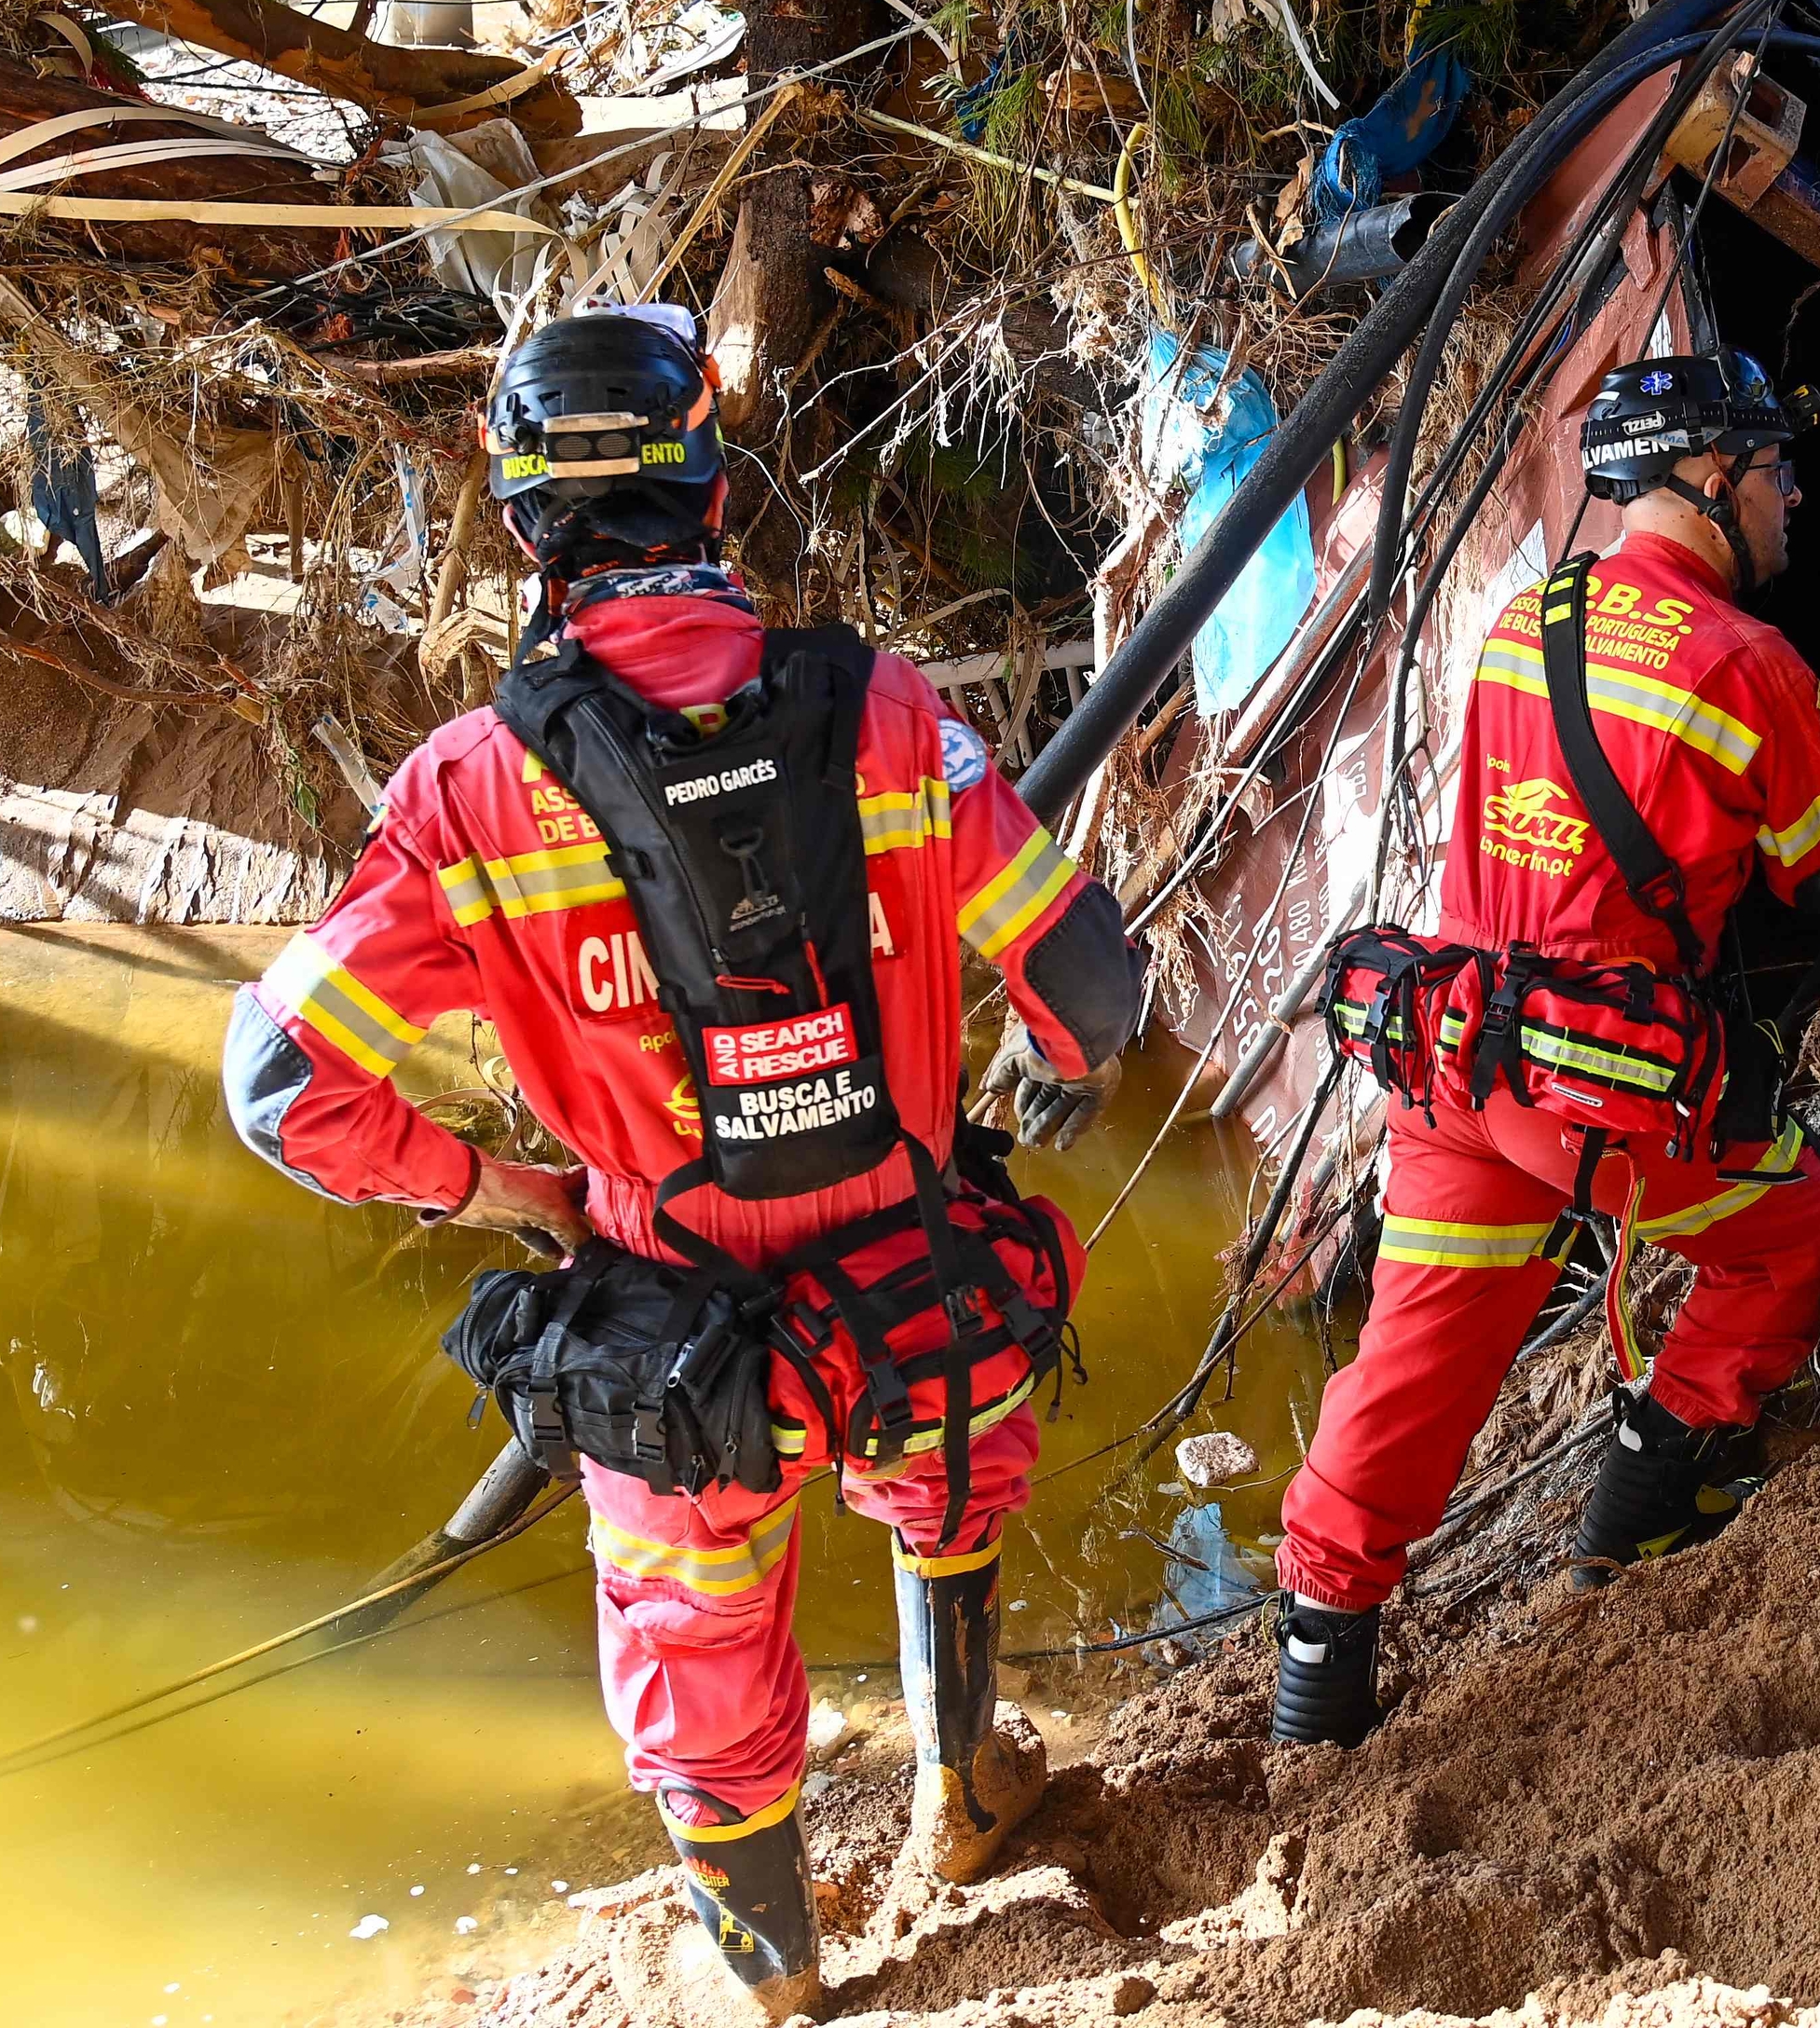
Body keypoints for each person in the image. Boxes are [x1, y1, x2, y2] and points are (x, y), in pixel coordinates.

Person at [223, 308, 1144, 2008]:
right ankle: (960, 1795)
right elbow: (1095, 987)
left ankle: (779, 1975)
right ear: (713, 487)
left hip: (672, 1315)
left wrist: (499, 1191)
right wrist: (1008, 1107)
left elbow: (281, 1088)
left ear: (521, 526)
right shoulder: (888, 716)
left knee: (698, 1647)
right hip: (909, 1274)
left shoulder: (471, 792)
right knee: (946, 1481)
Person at [1277, 346, 1820, 1747]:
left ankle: (1312, 1689)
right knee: (1794, 1223)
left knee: (1409, 1370)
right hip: (1602, 1097)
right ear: (1709, 476)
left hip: (1454, 1064)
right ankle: (1640, 1515)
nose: (1795, 493)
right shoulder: (1754, 661)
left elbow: (1607, 777)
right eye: (1772, 466)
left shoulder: (1532, 620)